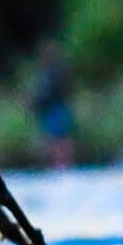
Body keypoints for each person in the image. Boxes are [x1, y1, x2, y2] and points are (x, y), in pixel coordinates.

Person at [30, 41, 76, 169]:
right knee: (63, 138)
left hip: (54, 109)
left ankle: (61, 164)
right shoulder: (60, 70)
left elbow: (46, 92)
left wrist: (35, 103)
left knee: (57, 139)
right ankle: (65, 164)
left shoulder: (50, 73)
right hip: (59, 107)